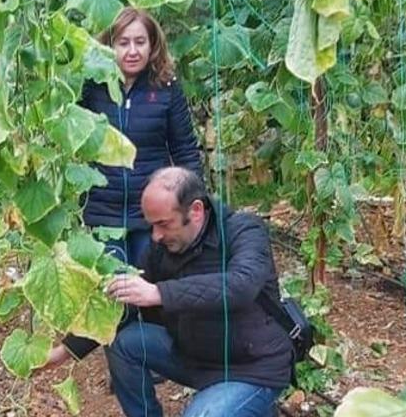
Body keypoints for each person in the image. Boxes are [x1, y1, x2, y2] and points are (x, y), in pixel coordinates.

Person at [45, 167, 293, 417]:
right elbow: (126, 304)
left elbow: (241, 285)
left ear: (195, 211)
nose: (155, 235)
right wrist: (66, 350)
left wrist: (159, 293)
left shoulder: (244, 230)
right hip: (195, 357)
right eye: (151, 225)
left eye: (163, 224)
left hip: (251, 368)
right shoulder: (162, 247)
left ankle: (248, 403)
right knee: (124, 344)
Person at [80, 6, 203, 268]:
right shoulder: (90, 85)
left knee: (150, 290)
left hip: (153, 215)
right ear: (109, 45)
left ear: (152, 45)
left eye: (140, 42)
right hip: (103, 212)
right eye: (123, 43)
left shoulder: (166, 87)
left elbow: (185, 150)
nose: (132, 51)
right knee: (114, 296)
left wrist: (194, 203)